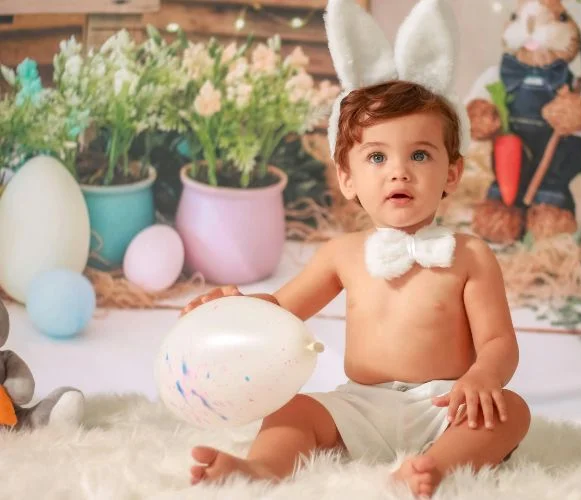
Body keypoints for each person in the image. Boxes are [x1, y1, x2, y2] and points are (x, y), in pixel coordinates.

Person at [182, 0, 531, 496]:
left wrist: (481, 378)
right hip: (359, 404)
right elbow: (280, 311)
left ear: (452, 172)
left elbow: (499, 342)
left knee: (511, 411)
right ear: (347, 178)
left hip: (444, 405)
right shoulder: (341, 253)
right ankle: (260, 470)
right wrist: (232, 312)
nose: (399, 171)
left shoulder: (470, 254)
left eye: (419, 154)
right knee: (292, 409)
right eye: (376, 156)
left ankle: (433, 469)